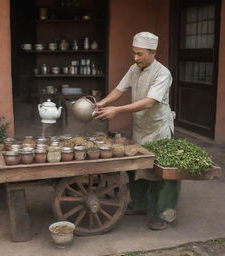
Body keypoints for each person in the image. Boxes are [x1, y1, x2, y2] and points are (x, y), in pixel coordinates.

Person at [95, 32, 181, 230]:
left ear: (153, 52)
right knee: (137, 166)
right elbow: (119, 89)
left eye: (140, 54)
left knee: (162, 171)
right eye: (134, 53)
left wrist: (117, 110)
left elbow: (149, 102)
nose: (135, 58)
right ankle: (139, 204)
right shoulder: (134, 68)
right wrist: (102, 103)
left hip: (158, 127)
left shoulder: (163, 73)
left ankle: (163, 215)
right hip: (141, 126)